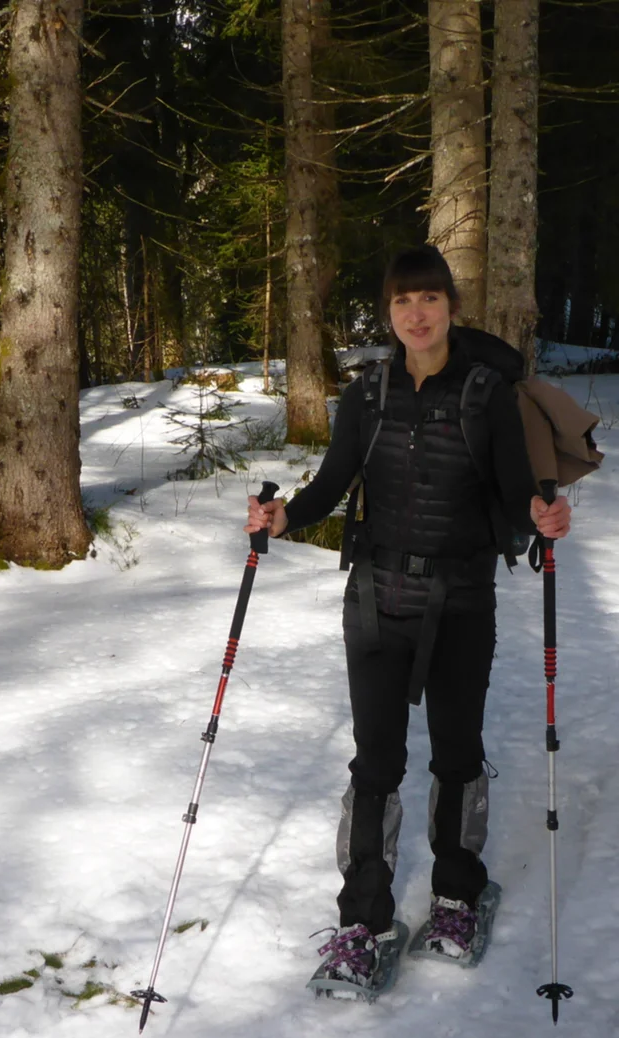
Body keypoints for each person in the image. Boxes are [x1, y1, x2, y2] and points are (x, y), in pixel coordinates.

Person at [245, 245, 571, 995]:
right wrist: (283, 516)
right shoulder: (367, 395)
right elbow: (332, 482)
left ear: (451, 306)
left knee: (456, 753)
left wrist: (544, 514)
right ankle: (364, 921)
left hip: (462, 600)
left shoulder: (486, 394)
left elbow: (517, 492)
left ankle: (457, 896)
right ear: (388, 313)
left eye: (429, 298)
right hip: (376, 600)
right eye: (402, 301)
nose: (416, 314)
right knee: (375, 763)